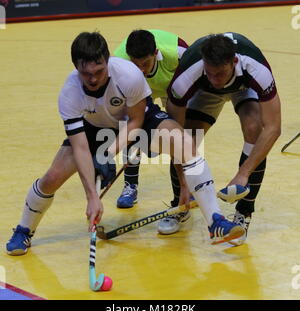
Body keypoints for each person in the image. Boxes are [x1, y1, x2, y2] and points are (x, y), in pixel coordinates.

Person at [6, 31, 245, 256]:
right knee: (51, 178)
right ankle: (24, 230)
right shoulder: (69, 94)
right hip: (93, 128)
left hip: (135, 120)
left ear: (107, 61)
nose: (93, 79)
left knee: (185, 144)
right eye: (86, 73)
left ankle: (215, 221)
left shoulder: (128, 74)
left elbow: (136, 121)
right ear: (76, 67)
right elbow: (79, 147)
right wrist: (92, 197)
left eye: (99, 71)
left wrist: (107, 154)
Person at [165, 32, 281, 245]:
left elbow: (273, 128)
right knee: (188, 137)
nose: (215, 79)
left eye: (220, 73)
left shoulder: (256, 69)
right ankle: (179, 204)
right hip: (204, 91)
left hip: (244, 88)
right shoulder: (188, 76)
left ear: (234, 61)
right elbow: (174, 135)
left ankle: (244, 213)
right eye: (210, 72)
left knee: (255, 128)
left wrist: (243, 174)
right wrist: (184, 184)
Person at [113, 30, 190, 222]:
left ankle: (186, 188)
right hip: (136, 90)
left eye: (145, 63)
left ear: (156, 53)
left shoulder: (180, 53)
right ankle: (130, 186)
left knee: (180, 135)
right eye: (135, 64)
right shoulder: (118, 62)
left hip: (172, 86)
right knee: (131, 126)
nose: (141, 70)